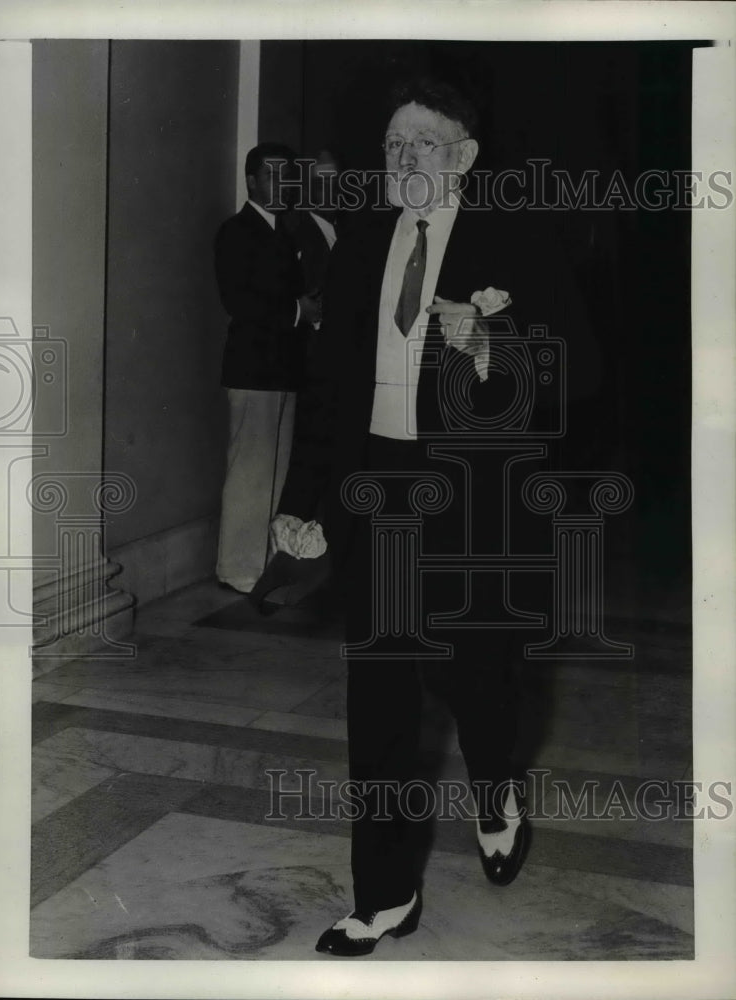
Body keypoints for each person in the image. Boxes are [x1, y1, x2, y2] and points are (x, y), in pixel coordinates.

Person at [273, 78, 596, 956]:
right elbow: (327, 386)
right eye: (391, 143)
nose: (401, 157)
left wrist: (490, 346)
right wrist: (302, 503)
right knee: (378, 693)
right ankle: (382, 894)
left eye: (421, 142)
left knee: (476, 678)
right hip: (379, 482)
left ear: (463, 156)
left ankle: (495, 785)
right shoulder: (363, 240)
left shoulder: (516, 238)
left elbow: (575, 379)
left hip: (474, 493)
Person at [214, 143, 321, 594]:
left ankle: (264, 565)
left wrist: (308, 312)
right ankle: (237, 569)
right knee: (251, 474)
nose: (282, 184)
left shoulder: (283, 235)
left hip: (282, 371)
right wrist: (299, 309)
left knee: (276, 475)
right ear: (252, 181)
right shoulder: (236, 231)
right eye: (273, 175)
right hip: (254, 371)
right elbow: (238, 302)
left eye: (287, 176)